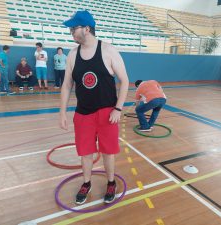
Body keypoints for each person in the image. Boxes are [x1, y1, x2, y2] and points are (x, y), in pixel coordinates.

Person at [59, 10, 129, 205]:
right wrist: (62, 112)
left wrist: (118, 109)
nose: (71, 32)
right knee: (85, 152)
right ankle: (86, 182)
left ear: (87, 29)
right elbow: (66, 85)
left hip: (107, 112)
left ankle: (111, 182)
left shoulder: (108, 50)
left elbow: (125, 81)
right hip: (83, 114)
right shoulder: (72, 55)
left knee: (108, 152)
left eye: (74, 28)